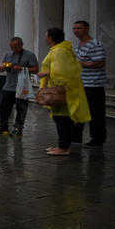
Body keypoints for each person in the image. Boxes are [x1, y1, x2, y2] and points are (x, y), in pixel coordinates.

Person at [37, 27, 90, 156]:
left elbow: (59, 72)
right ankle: (63, 145)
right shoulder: (63, 49)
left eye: (46, 36)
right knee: (63, 119)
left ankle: (63, 147)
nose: (45, 38)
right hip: (66, 89)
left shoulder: (59, 51)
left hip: (59, 90)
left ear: (51, 38)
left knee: (61, 119)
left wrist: (44, 74)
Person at [0, 37, 38, 136]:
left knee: (21, 108)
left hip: (22, 87)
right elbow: (1, 69)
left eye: (16, 47)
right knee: (3, 106)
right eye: (12, 47)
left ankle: (18, 128)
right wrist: (2, 67)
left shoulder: (29, 55)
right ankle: (3, 126)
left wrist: (21, 68)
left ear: (22, 45)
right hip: (8, 86)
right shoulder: (8, 55)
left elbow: (36, 69)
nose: (14, 49)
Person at [71, 20, 106, 147]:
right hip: (81, 84)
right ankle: (75, 136)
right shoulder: (79, 45)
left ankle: (97, 138)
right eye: (74, 28)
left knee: (95, 113)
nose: (76, 30)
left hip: (93, 84)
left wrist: (83, 64)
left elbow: (100, 62)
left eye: (79, 28)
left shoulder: (94, 44)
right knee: (79, 110)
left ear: (87, 29)